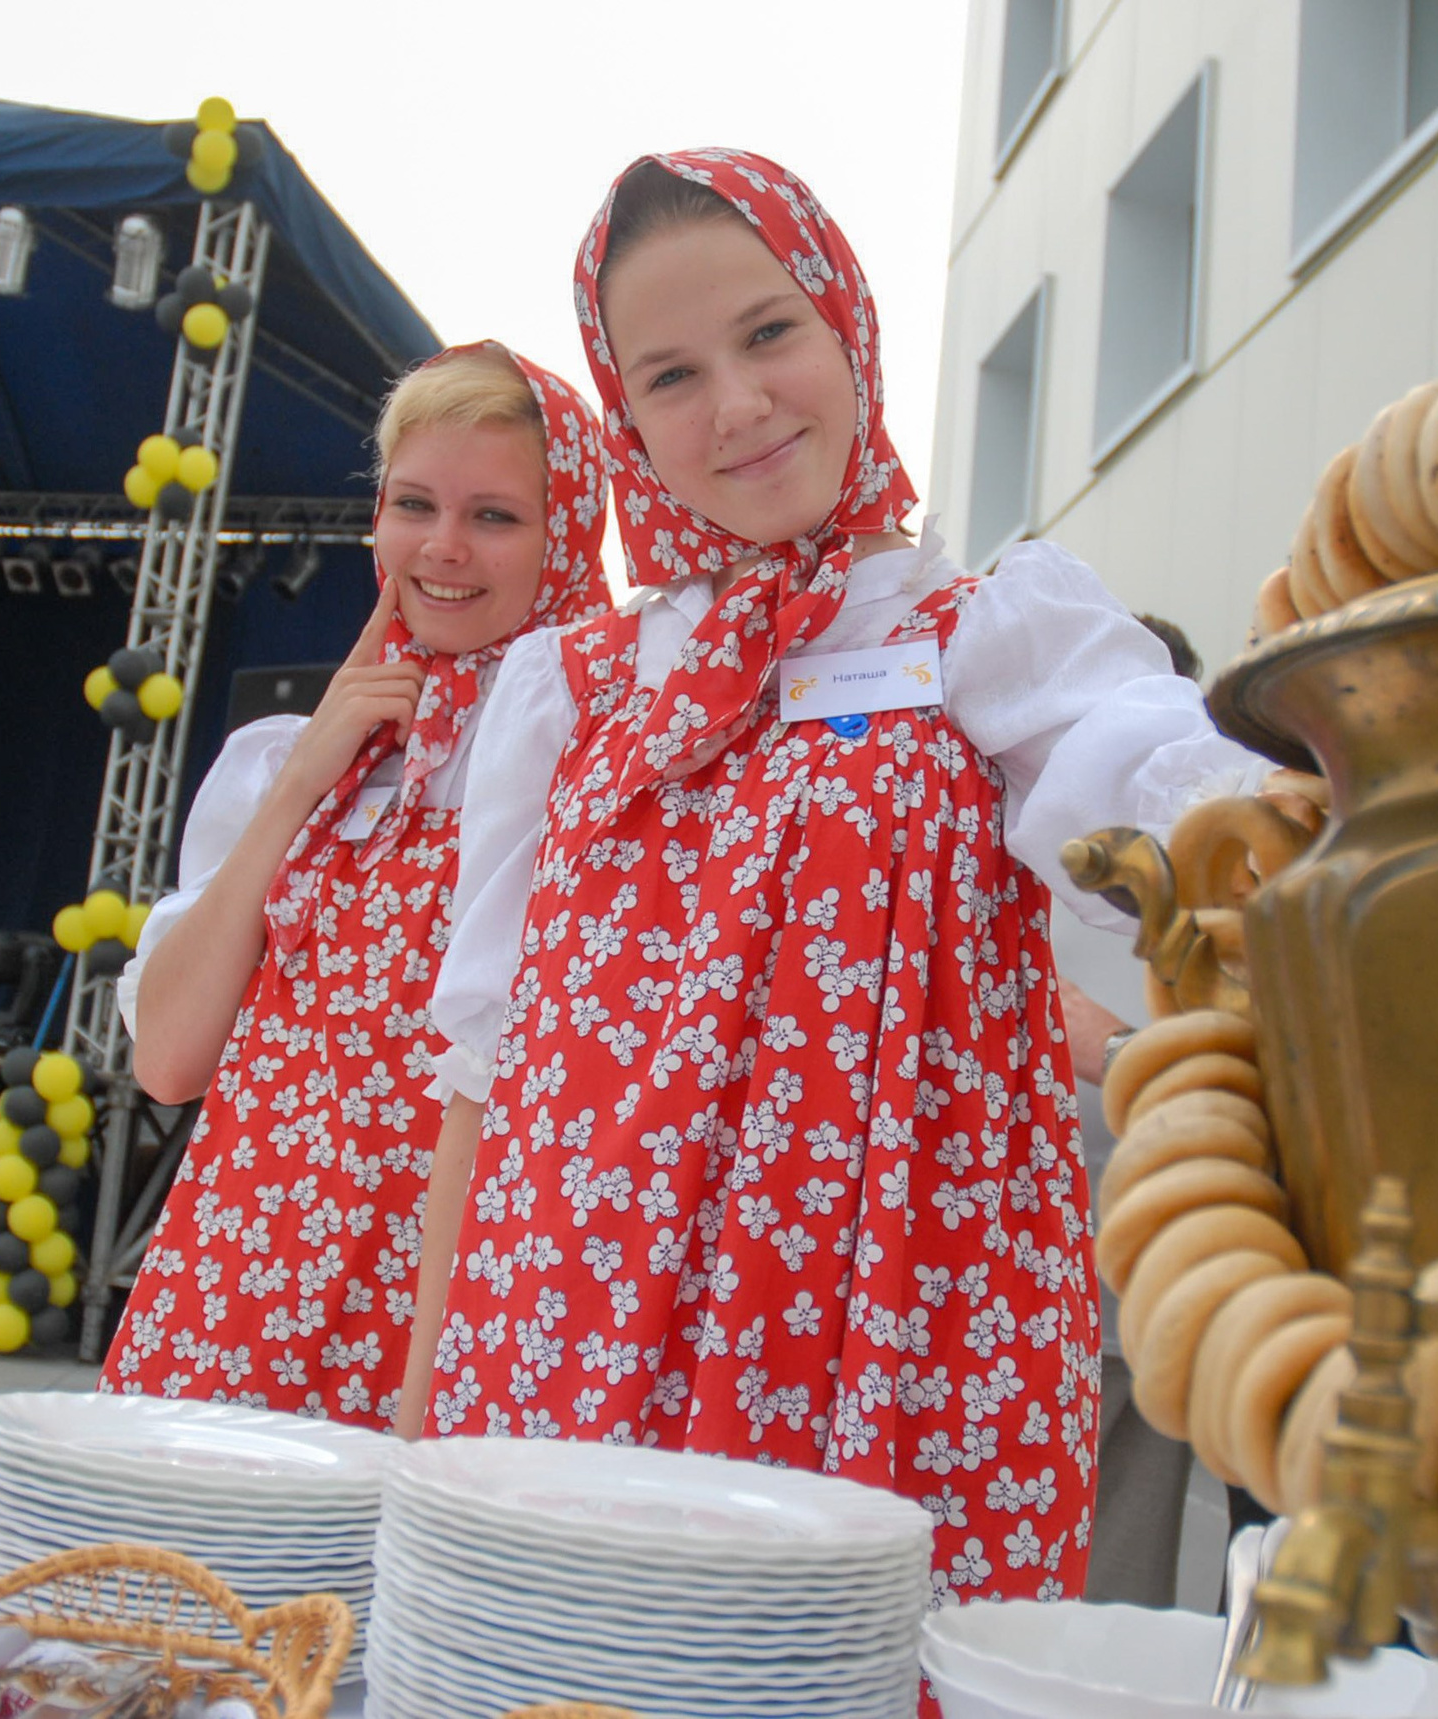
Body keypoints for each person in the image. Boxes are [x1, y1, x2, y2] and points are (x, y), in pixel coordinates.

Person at [398, 151, 1278, 1608]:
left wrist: (1297, 824)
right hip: (570, 1335)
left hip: (891, 1342)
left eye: (768, 333)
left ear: (847, 327)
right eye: (669, 375)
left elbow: (1145, 754)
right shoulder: (562, 686)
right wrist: (421, 1432)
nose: (736, 406)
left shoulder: (989, 629)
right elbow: (482, 1078)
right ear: (621, 417)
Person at [98, 342, 612, 1427]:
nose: (442, 548)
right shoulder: (286, 759)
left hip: (454, 1324)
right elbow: (169, 1060)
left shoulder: (599, 768)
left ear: (566, 535)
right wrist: (299, 783)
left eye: (495, 516)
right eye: (413, 504)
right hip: (230, 1296)